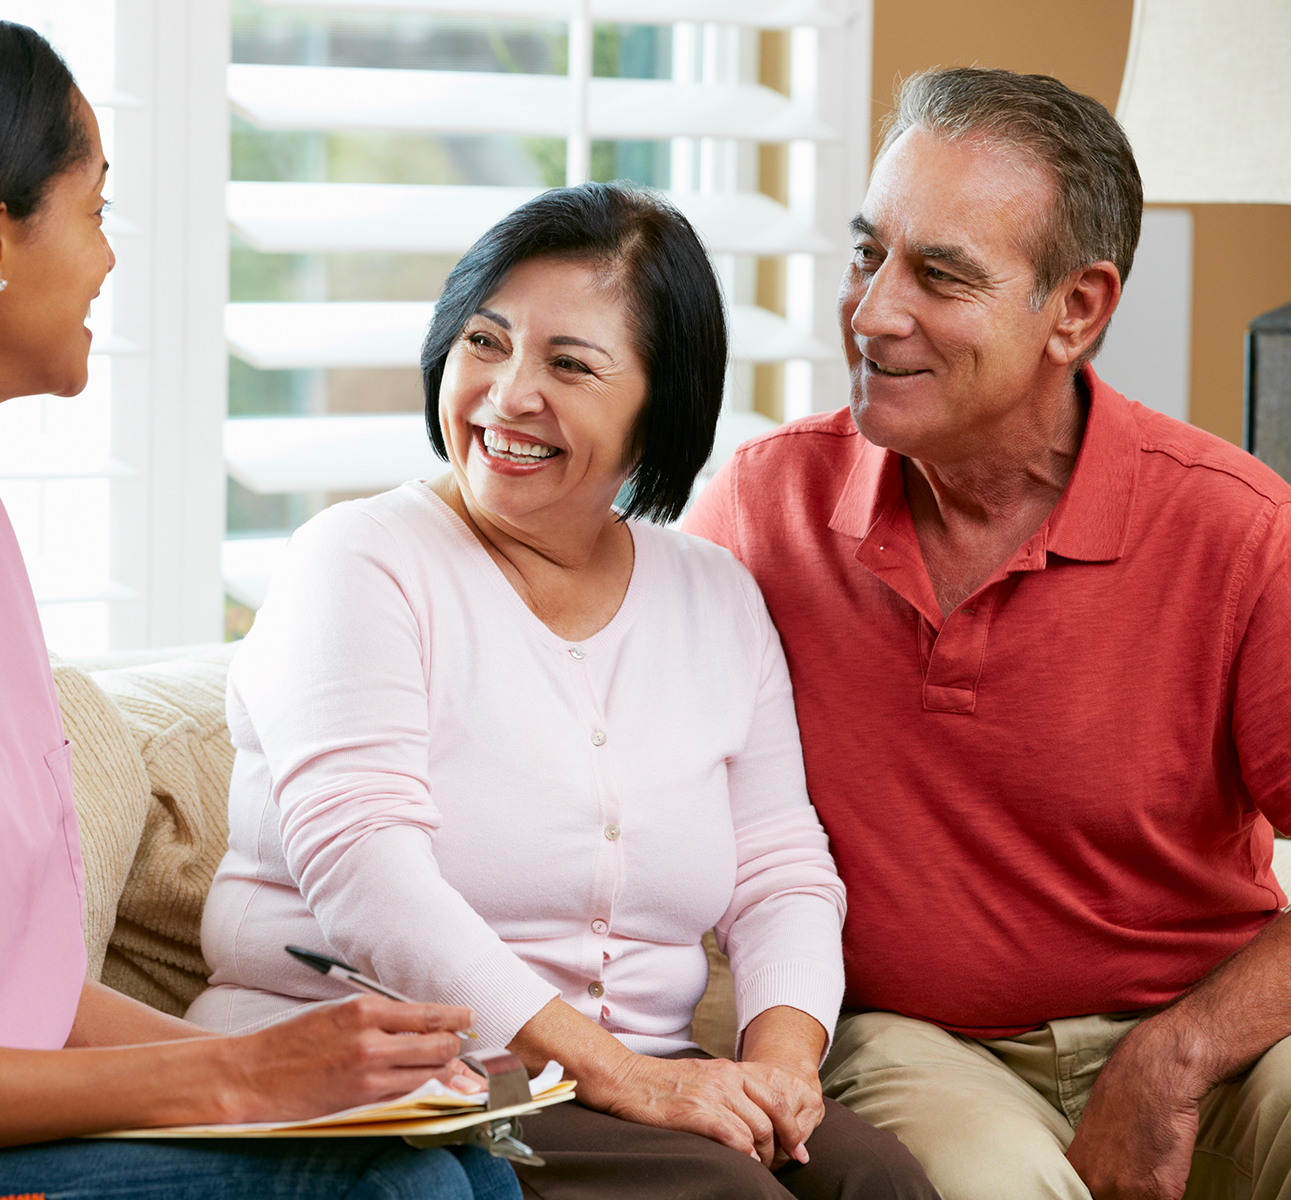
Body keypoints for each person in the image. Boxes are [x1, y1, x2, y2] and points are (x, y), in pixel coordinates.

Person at [0, 3, 522, 1198]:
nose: (112, 256)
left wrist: (313, 1074)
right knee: (390, 1192)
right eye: (96, 210)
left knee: (449, 1158)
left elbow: (15, 1003)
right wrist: (240, 1086)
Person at [186, 182, 938, 1200]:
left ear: (658, 408)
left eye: (568, 365)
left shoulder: (713, 595)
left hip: (626, 1078)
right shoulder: (359, 560)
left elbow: (779, 869)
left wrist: (781, 1067)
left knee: (877, 1183)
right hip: (401, 1072)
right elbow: (366, 870)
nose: (505, 396)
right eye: (485, 344)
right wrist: (621, 1075)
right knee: (727, 1198)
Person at [684, 66, 1291, 1200]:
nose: (871, 313)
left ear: (1076, 310)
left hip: (1211, 1022)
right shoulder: (762, 509)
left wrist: (1175, 1055)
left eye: (939, 275)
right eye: (867, 254)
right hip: (923, 1043)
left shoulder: (1239, 531)